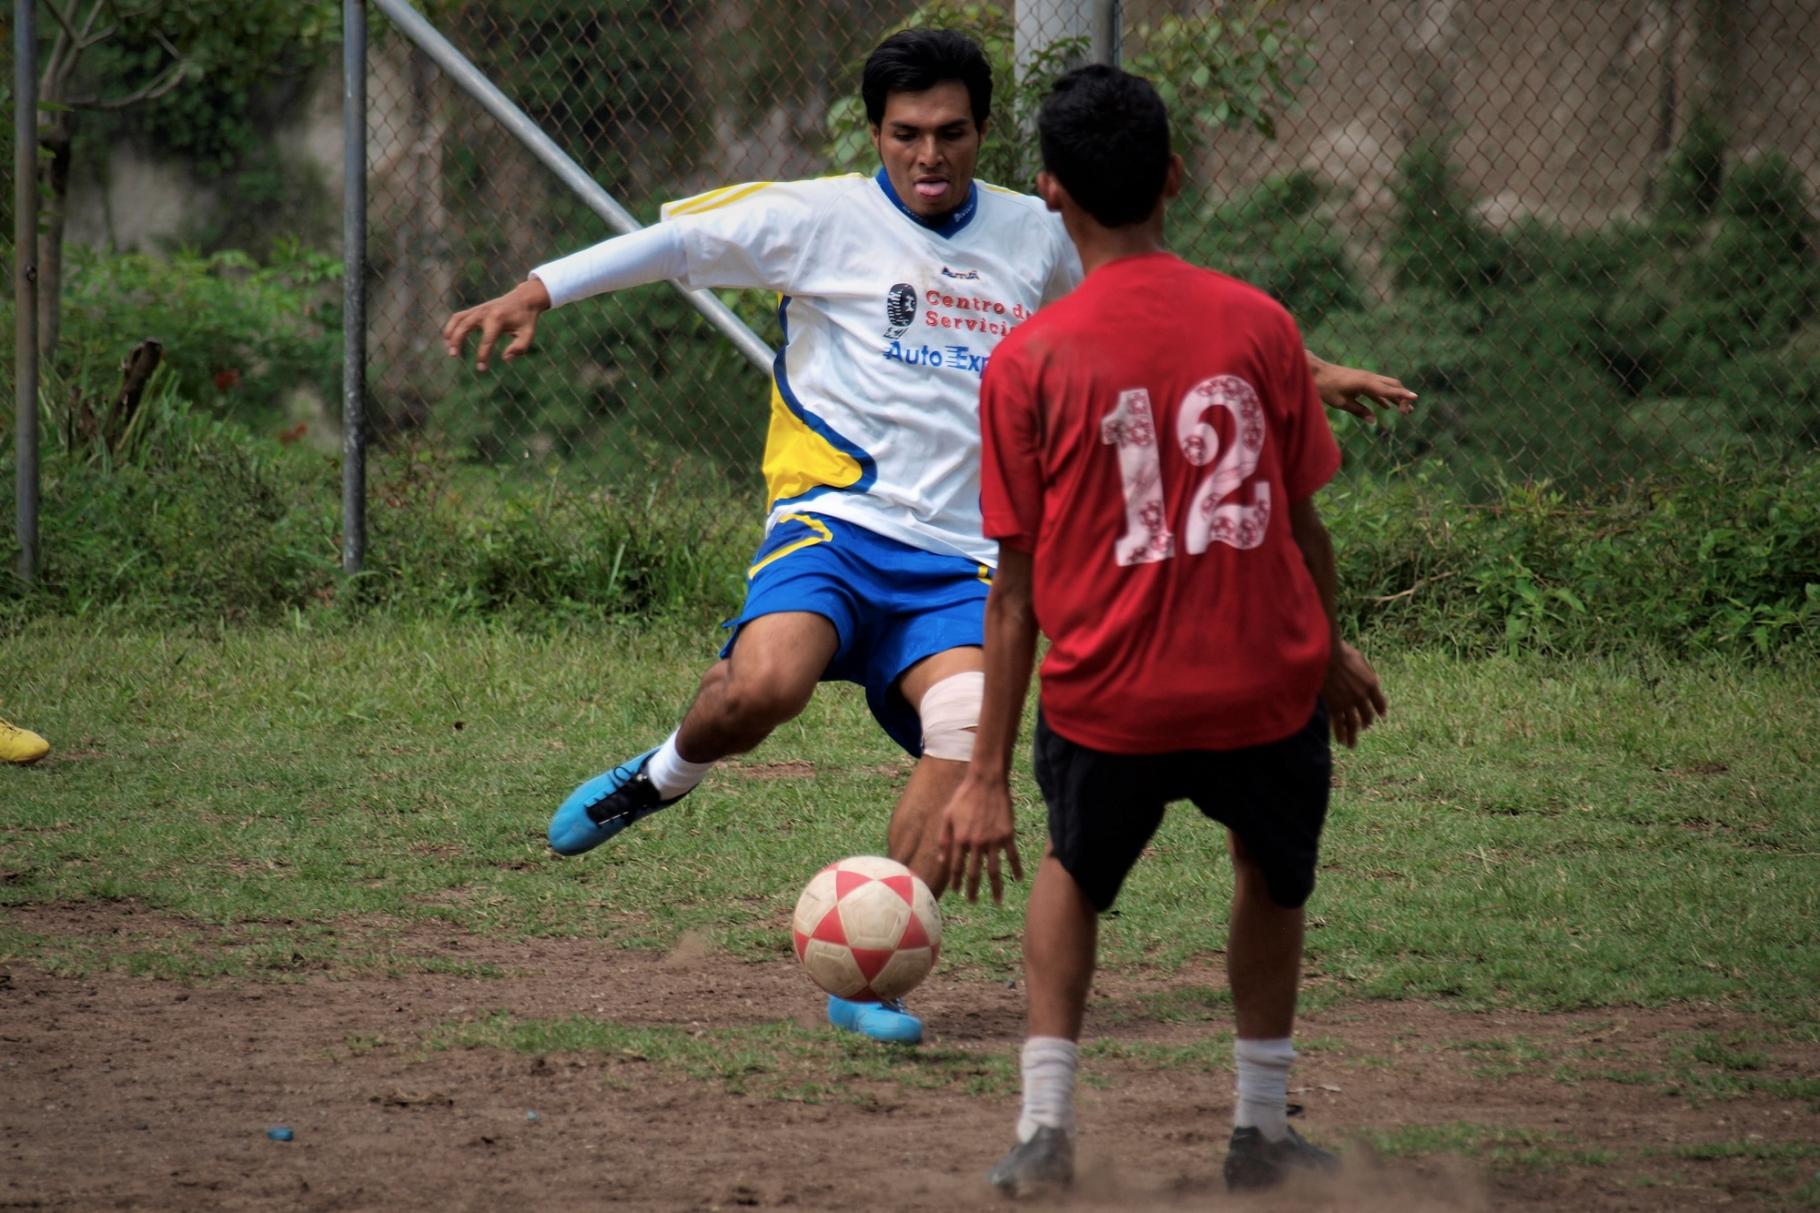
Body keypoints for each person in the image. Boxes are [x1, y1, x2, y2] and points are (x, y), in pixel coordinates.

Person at [442, 29, 1411, 1048]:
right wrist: (535, 288)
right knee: (755, 693)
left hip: (962, 566)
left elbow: (1161, 317)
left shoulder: (1034, 233)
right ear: (876, 132)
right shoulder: (813, 216)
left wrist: (1308, 370)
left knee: (963, 736)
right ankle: (663, 774)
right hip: (835, 526)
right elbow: (669, 245)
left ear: (981, 132)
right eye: (906, 134)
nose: (929, 154)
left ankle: (871, 966)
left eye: (950, 133)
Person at [937, 64, 1388, 1197]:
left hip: (1108, 700)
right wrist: (1327, 648)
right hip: (1260, 688)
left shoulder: (1027, 361)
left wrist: (983, 770)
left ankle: (1045, 1130)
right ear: (1174, 179)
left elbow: (1011, 589)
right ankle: (1258, 1129)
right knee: (1269, 877)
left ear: (1047, 193)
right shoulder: (1260, 324)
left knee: (1072, 873)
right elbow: (1299, 526)